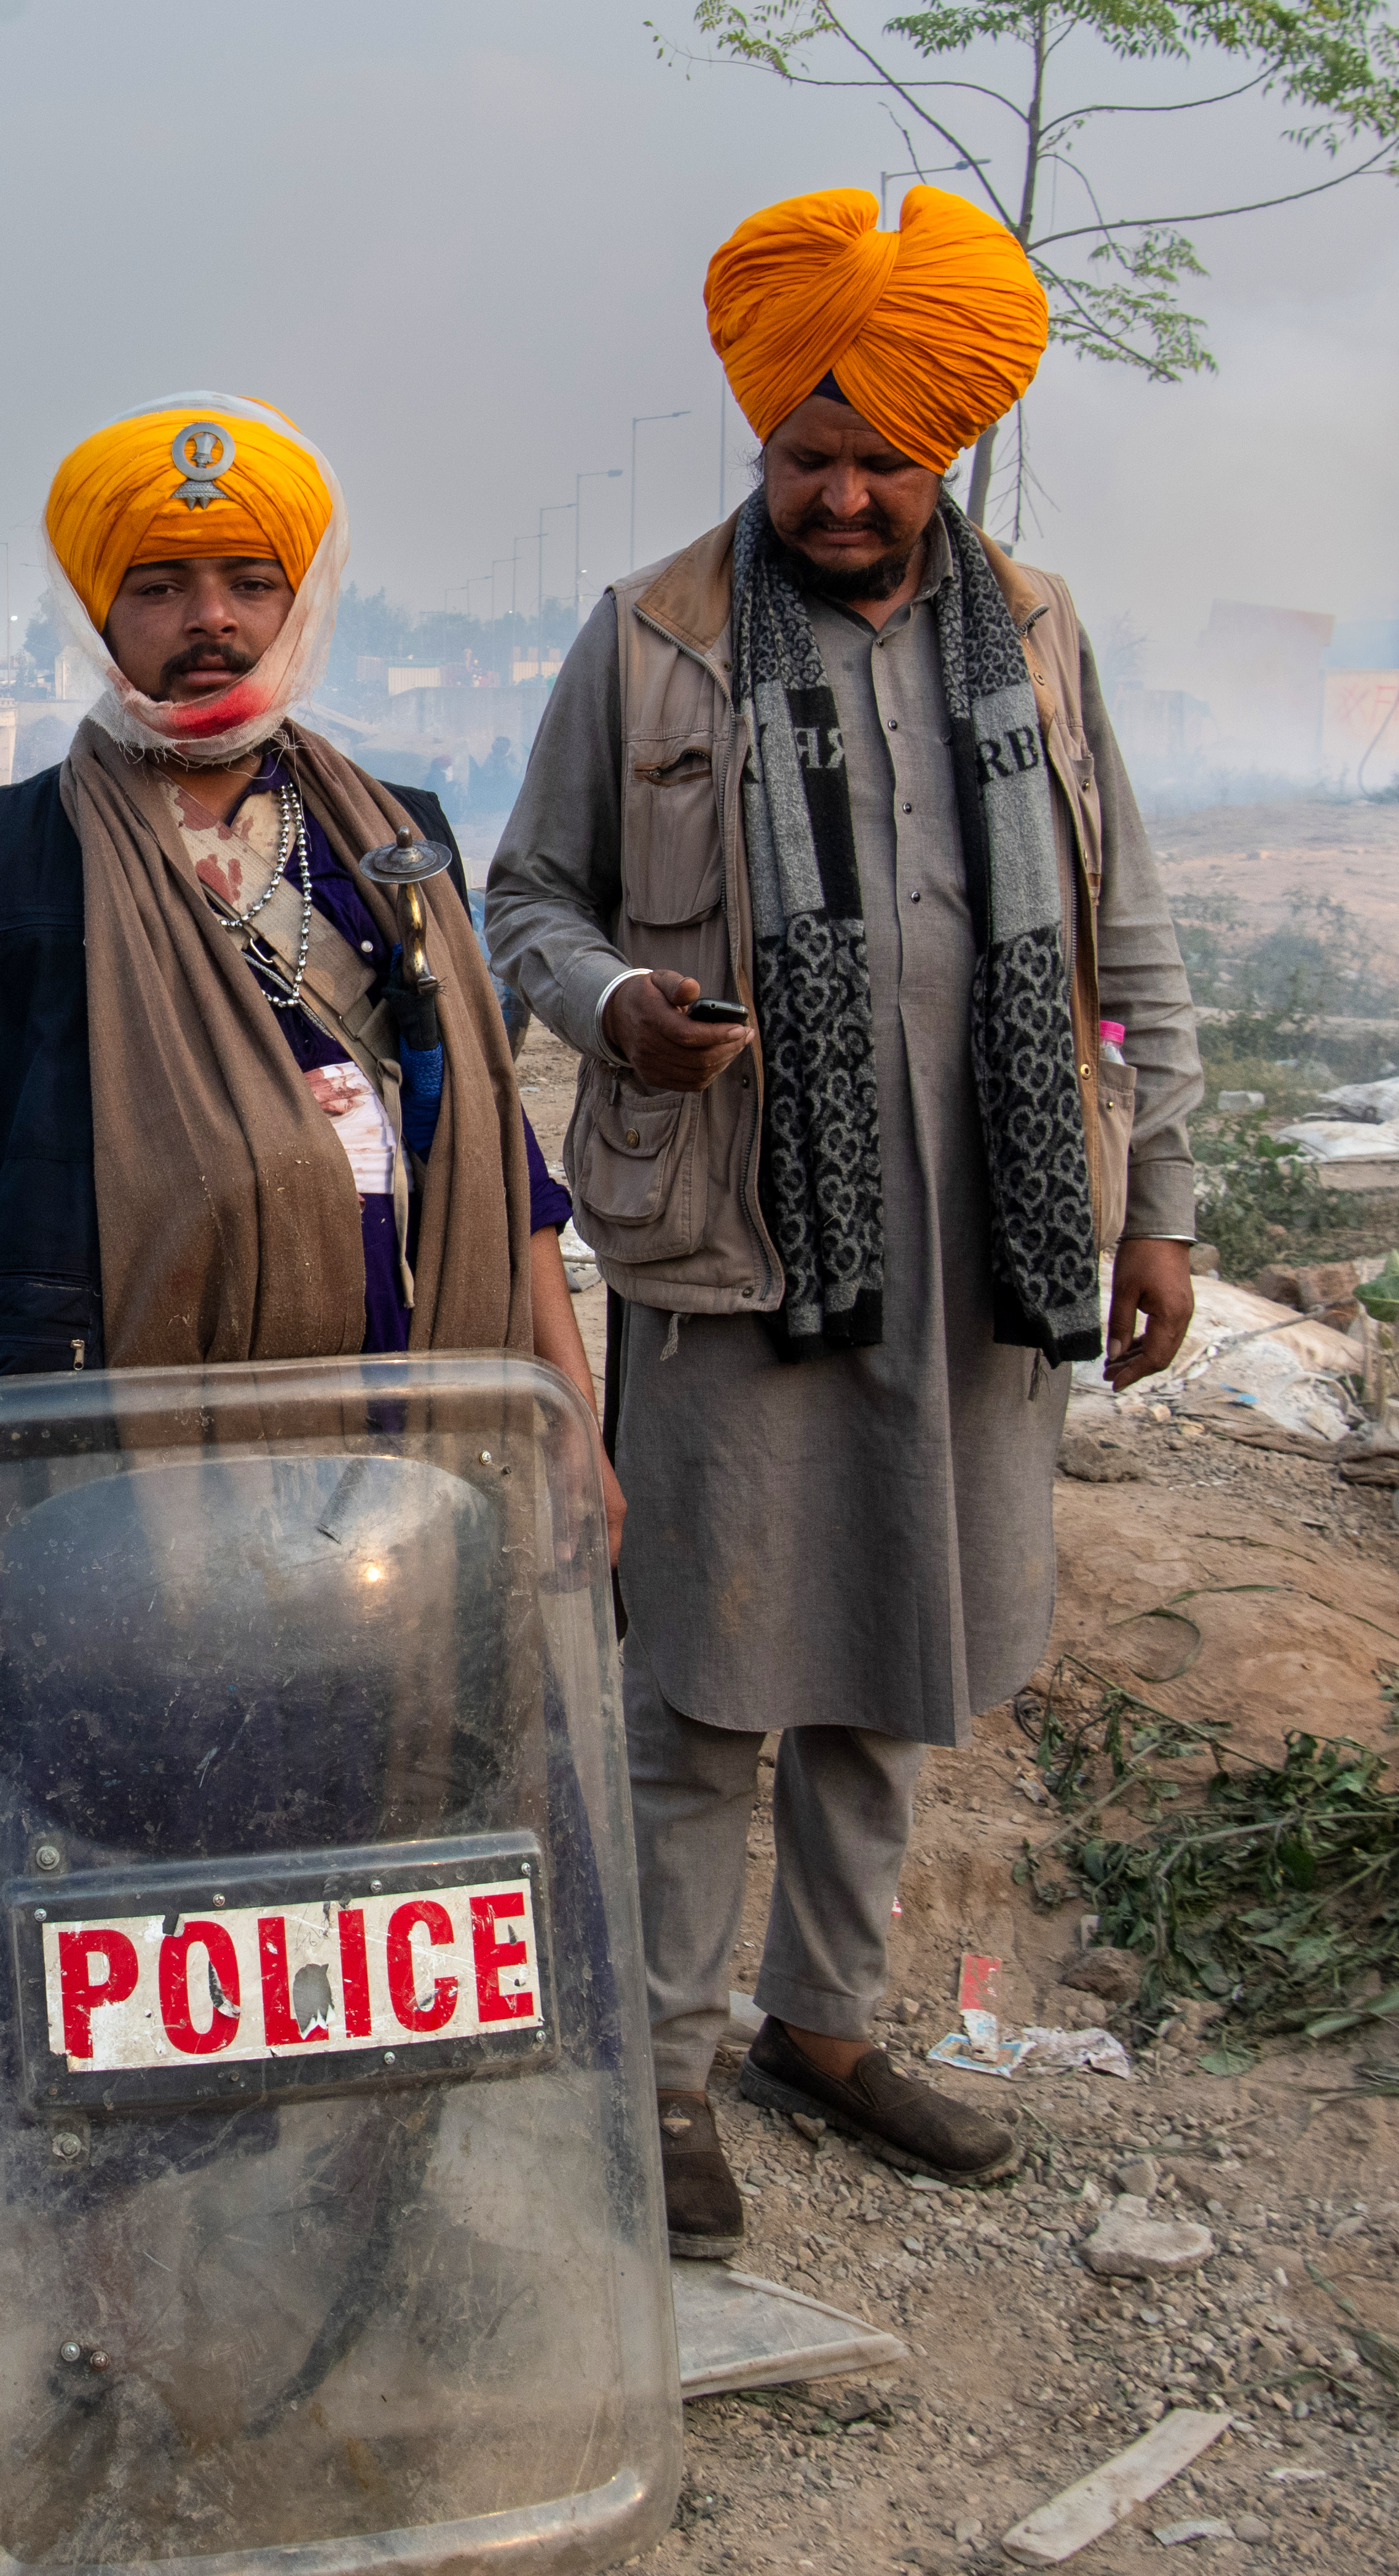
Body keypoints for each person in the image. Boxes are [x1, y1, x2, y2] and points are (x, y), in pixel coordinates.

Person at [484, 186, 1202, 2251]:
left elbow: (1126, 934)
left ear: (944, 452)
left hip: (984, 1246)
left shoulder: (1040, 635)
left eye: (881, 456)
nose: (841, 491)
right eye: (806, 454)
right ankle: (672, 2062)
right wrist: (614, 1004)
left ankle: (827, 2020)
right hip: (734, 1251)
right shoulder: (647, 636)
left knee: (897, 1659)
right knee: (707, 1677)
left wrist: (1157, 1206)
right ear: (759, 446)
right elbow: (526, 895)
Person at [0, 393, 603, 1454]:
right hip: (99, 1476)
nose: (210, 618)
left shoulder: (400, 847)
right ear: (100, 613)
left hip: (410, 1442)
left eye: (251, 583)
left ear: (298, 608)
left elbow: (501, 1163)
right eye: (161, 585)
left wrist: (577, 1438)